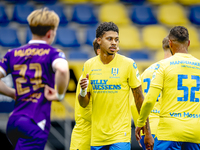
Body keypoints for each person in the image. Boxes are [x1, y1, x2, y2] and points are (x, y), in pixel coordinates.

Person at [0, 8, 69, 149]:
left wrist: (12, 93)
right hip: (35, 122)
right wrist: (59, 94)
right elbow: (62, 69)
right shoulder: (52, 53)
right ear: (50, 33)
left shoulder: (12, 53)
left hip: (13, 121)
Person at [78, 22, 153, 150]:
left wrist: (148, 132)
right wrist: (83, 91)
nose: (114, 43)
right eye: (109, 39)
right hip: (97, 137)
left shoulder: (128, 64)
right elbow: (84, 103)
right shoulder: (89, 65)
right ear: (99, 40)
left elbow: (139, 99)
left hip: (120, 135)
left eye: (116, 39)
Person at [135, 26, 200, 150]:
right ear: (189, 43)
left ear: (170, 43)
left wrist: (141, 123)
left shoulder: (163, 66)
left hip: (170, 131)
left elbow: (149, 100)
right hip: (195, 131)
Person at [139, 36, 172, 149]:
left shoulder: (147, 71)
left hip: (147, 129)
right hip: (168, 130)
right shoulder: (174, 71)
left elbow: (135, 103)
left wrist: (141, 127)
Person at [70, 39, 100, 150]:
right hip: (85, 140)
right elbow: (86, 110)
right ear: (99, 52)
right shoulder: (89, 75)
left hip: (97, 138)